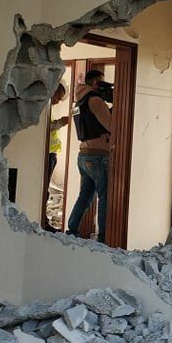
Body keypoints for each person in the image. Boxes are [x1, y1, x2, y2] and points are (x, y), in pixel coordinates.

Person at [66, 70, 112, 244]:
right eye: (101, 83)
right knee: (105, 195)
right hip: (98, 155)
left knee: (85, 195)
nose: (103, 87)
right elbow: (111, 125)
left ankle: (72, 229)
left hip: (84, 155)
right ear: (94, 83)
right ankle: (103, 236)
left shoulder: (80, 100)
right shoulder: (95, 100)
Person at [44, 83, 69, 232]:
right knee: (44, 189)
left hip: (50, 153)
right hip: (47, 154)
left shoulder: (48, 109)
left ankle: (44, 220)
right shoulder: (44, 108)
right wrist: (60, 123)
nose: (58, 101)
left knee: (45, 188)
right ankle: (43, 221)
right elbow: (45, 128)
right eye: (58, 98)